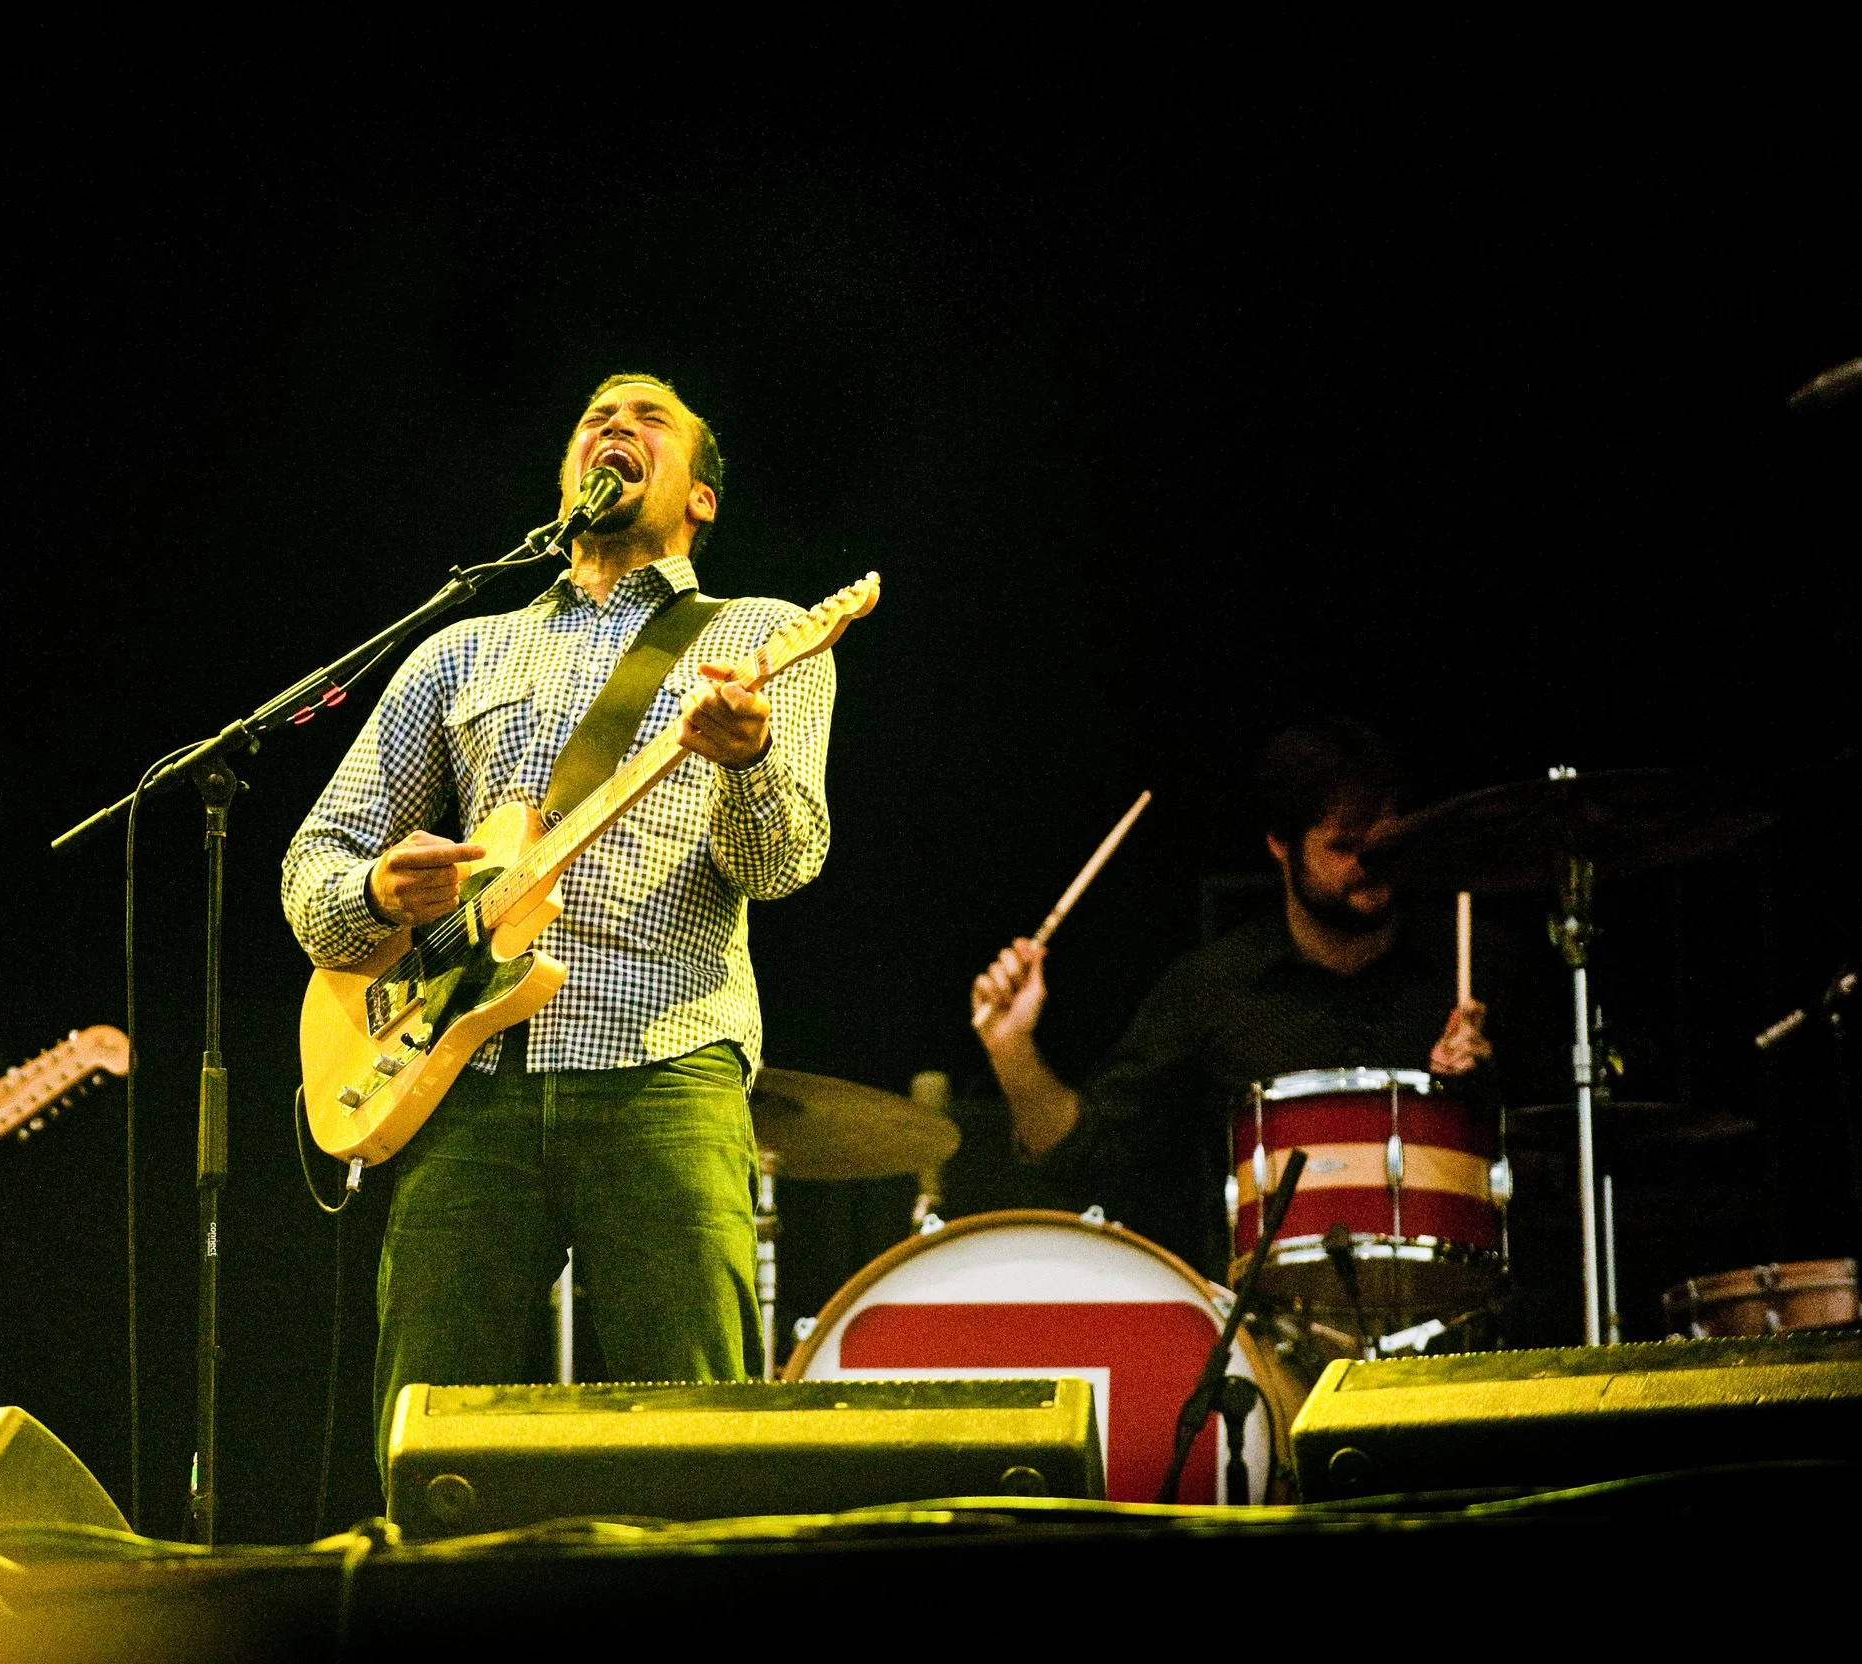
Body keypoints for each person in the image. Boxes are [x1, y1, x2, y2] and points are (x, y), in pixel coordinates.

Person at [283, 373, 836, 1449]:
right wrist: (377, 890)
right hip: (464, 1077)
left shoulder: (762, 636)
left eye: (648, 418)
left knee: (699, 1434)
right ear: (569, 475)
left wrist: (749, 755)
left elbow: (782, 862)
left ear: (701, 497)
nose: (614, 427)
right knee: (427, 1431)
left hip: (665, 1066)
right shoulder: (459, 650)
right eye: (594, 417)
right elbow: (318, 858)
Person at [969, 719, 1527, 1282]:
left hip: (1464, 1327)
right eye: (1345, 847)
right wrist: (1010, 1049)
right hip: (1269, 1337)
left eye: (1384, 841)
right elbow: (1085, 1159)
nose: (1372, 864)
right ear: (1280, 844)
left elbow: (1569, 1161)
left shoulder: (1477, 967)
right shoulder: (1212, 992)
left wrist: (1483, 1096)